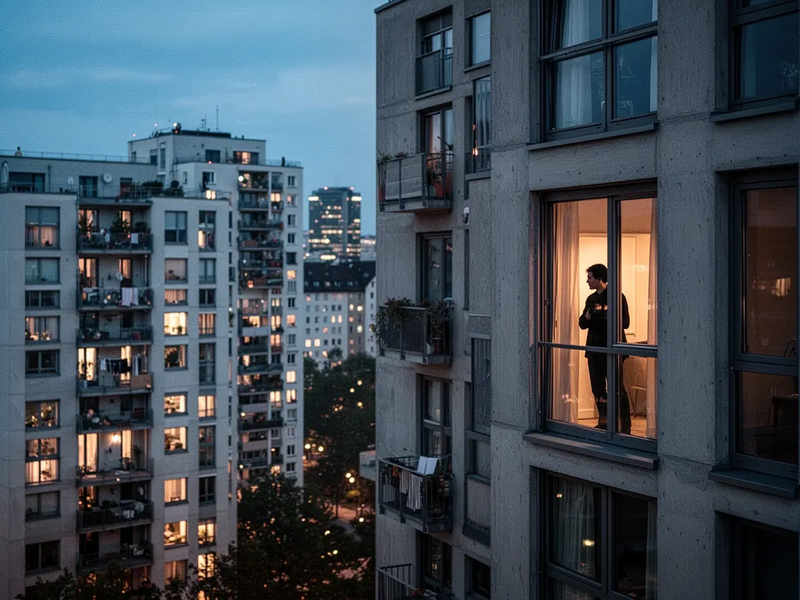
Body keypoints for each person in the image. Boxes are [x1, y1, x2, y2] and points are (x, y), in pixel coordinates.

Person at [578, 264, 632, 433]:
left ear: (599, 278)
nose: (587, 281)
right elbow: (582, 323)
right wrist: (592, 318)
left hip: (612, 350)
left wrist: (595, 318)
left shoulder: (617, 296)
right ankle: (604, 423)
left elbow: (624, 322)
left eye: (590, 277)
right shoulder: (591, 299)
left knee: (617, 388)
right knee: (598, 388)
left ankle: (625, 426)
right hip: (595, 350)